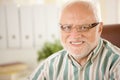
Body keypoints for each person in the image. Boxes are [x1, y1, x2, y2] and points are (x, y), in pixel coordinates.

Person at [28, 0, 120, 80]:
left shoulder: (116, 64)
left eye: (84, 27)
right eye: (67, 27)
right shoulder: (50, 65)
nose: (75, 36)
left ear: (99, 28)